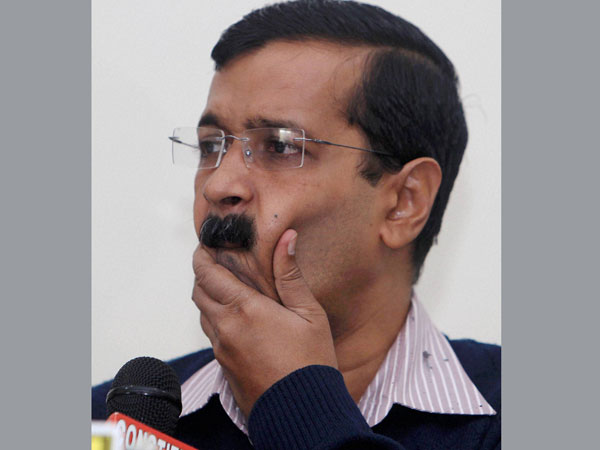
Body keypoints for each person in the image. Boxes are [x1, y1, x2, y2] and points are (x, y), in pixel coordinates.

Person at [92, 0, 500, 448]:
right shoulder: (111, 426)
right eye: (211, 146)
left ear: (405, 202)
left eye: (280, 146)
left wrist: (295, 402)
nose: (219, 185)